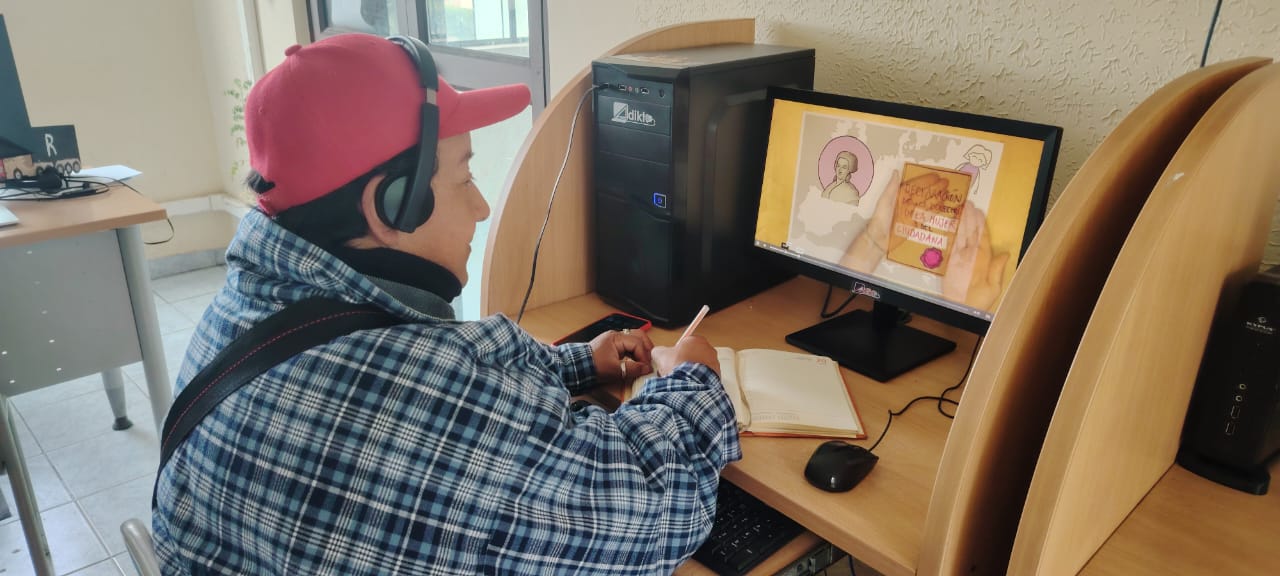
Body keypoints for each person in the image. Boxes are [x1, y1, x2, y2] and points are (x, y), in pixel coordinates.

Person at [152, 33, 739, 575]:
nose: (481, 207)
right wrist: (692, 381)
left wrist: (579, 362)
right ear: (392, 205)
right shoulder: (402, 392)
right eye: (463, 177)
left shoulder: (250, 308)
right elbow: (660, 514)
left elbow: (457, 384)